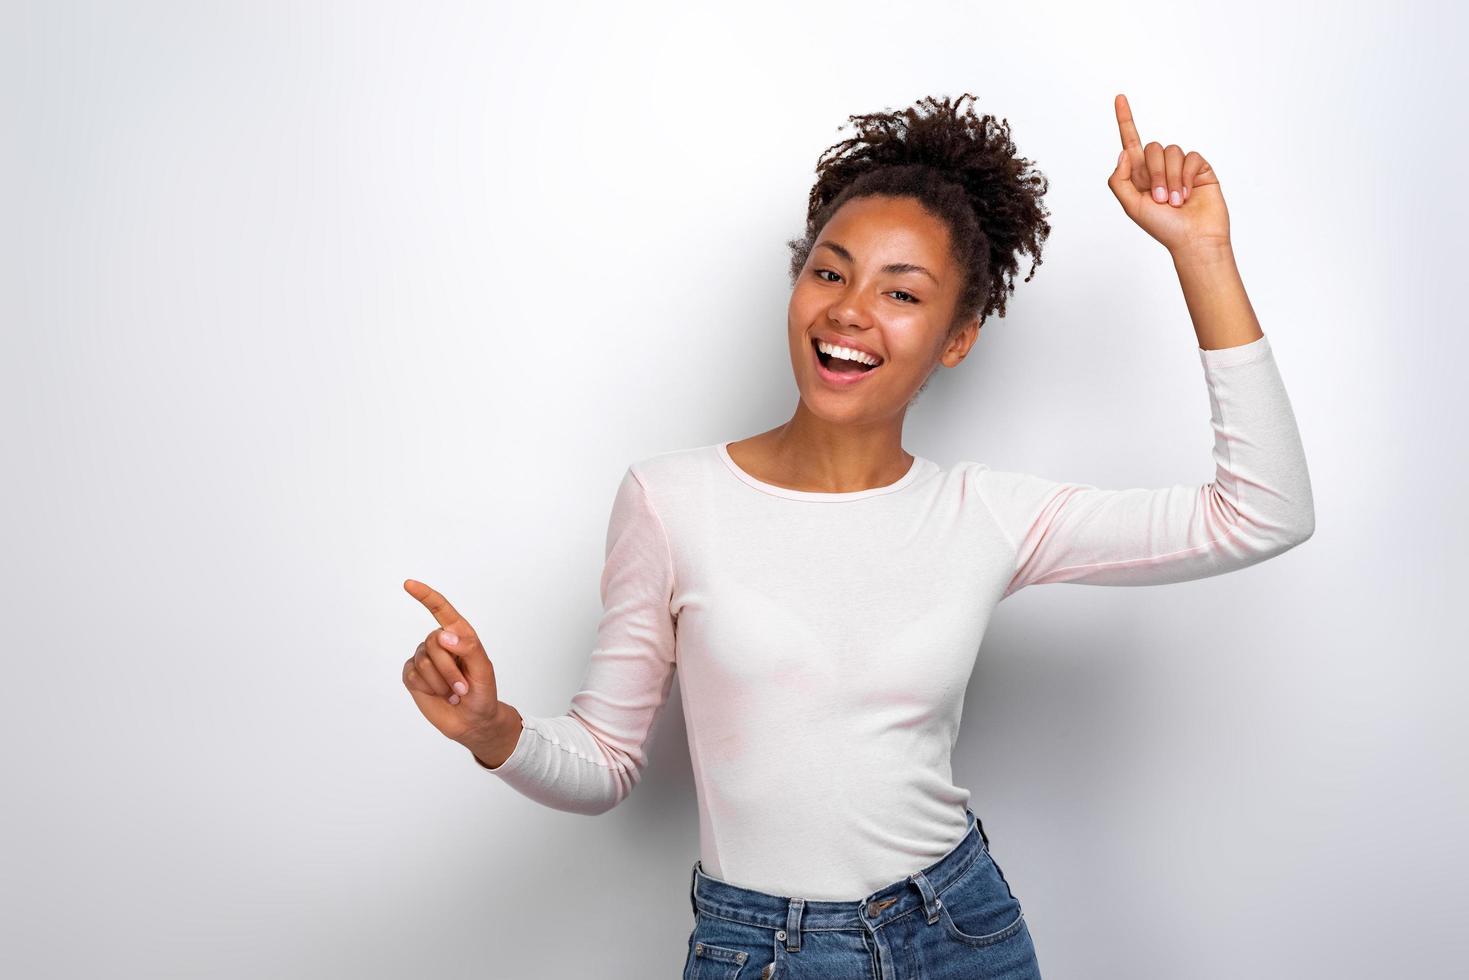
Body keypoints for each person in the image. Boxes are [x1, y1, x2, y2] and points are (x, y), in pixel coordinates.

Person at [400, 92, 1315, 979]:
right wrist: (494, 729)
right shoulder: (670, 500)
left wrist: (1202, 253)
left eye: (900, 292)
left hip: (960, 928)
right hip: (761, 950)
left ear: (957, 338)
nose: (848, 309)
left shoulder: (984, 513)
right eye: (829, 271)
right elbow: (604, 763)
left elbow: (1262, 511)